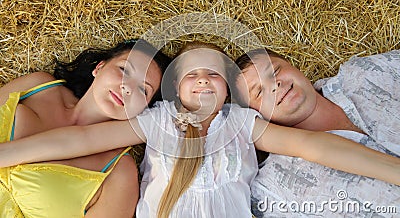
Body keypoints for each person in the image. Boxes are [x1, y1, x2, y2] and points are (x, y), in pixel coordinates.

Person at [0, 42, 399, 218]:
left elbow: (313, 148)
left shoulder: (244, 125)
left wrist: (393, 171)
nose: (204, 80)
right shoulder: (155, 122)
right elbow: (82, 139)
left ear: (229, 94)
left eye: (214, 75)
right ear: (173, 91)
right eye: (192, 75)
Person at [0, 39, 170, 217]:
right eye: (124, 70)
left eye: (143, 90)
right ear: (99, 67)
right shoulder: (37, 85)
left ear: (145, 109)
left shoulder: (121, 173)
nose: (127, 87)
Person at [235, 48, 400, 217]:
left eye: (275, 71)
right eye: (259, 92)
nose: (275, 85)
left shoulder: (362, 73)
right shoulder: (276, 187)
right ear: (255, 116)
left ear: (293, 66)